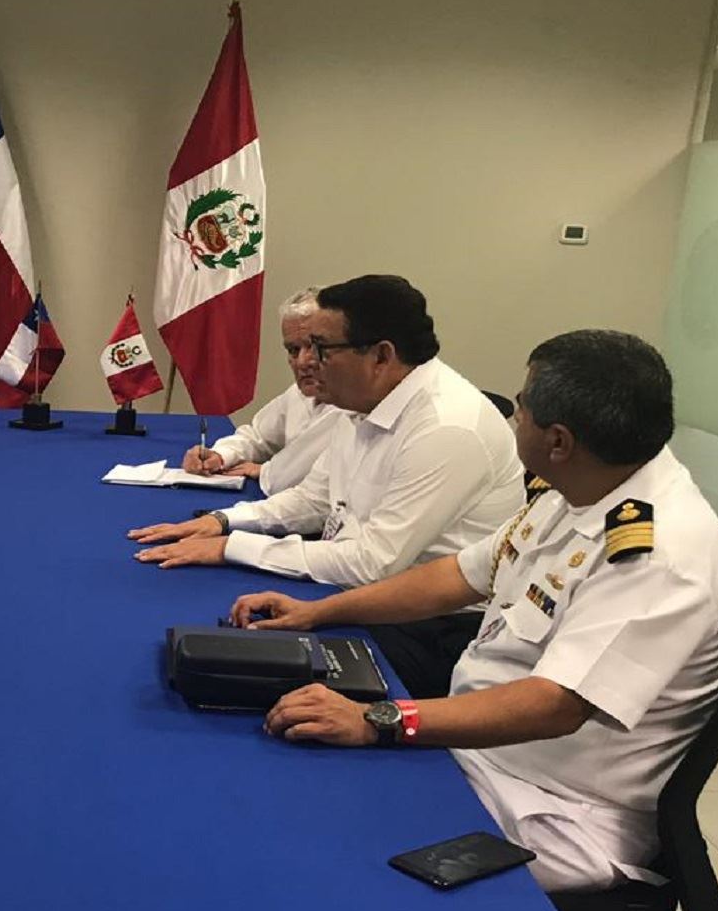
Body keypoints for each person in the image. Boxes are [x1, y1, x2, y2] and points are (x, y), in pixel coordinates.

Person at [233, 330, 718, 894]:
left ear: (558, 441)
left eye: (522, 406)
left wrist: (378, 720)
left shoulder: (662, 555)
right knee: (281, 773)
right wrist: (318, 612)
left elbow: (554, 706)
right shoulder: (577, 488)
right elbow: (457, 576)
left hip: (550, 811)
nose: (514, 415)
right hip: (480, 754)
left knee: (313, 851)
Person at [132, 276, 523, 692]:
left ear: (380, 356)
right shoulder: (365, 401)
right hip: (358, 591)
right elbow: (313, 499)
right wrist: (223, 522)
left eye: (322, 349)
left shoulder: (447, 428)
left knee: (249, 674)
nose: (309, 362)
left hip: (429, 626)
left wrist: (234, 548)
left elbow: (374, 564)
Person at [180, 287, 339, 495]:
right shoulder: (298, 394)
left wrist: (266, 471)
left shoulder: (354, 407)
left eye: (314, 347)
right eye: (293, 350)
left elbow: (290, 480)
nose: (302, 361)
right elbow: (257, 436)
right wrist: (220, 455)